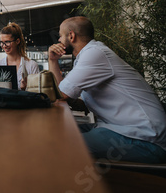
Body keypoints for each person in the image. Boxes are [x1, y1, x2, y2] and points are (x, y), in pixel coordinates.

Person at [48, 16, 166, 163]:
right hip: (120, 129)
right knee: (54, 133)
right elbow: (65, 94)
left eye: (60, 36)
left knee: (56, 143)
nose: (58, 40)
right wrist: (53, 60)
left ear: (71, 36)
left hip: (145, 138)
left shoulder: (94, 53)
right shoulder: (87, 56)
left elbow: (61, 94)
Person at [0, 22, 39, 90]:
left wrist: (26, 89)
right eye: (1, 42)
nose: (4, 46)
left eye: (7, 42)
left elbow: (38, 94)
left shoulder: (31, 65)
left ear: (17, 41)